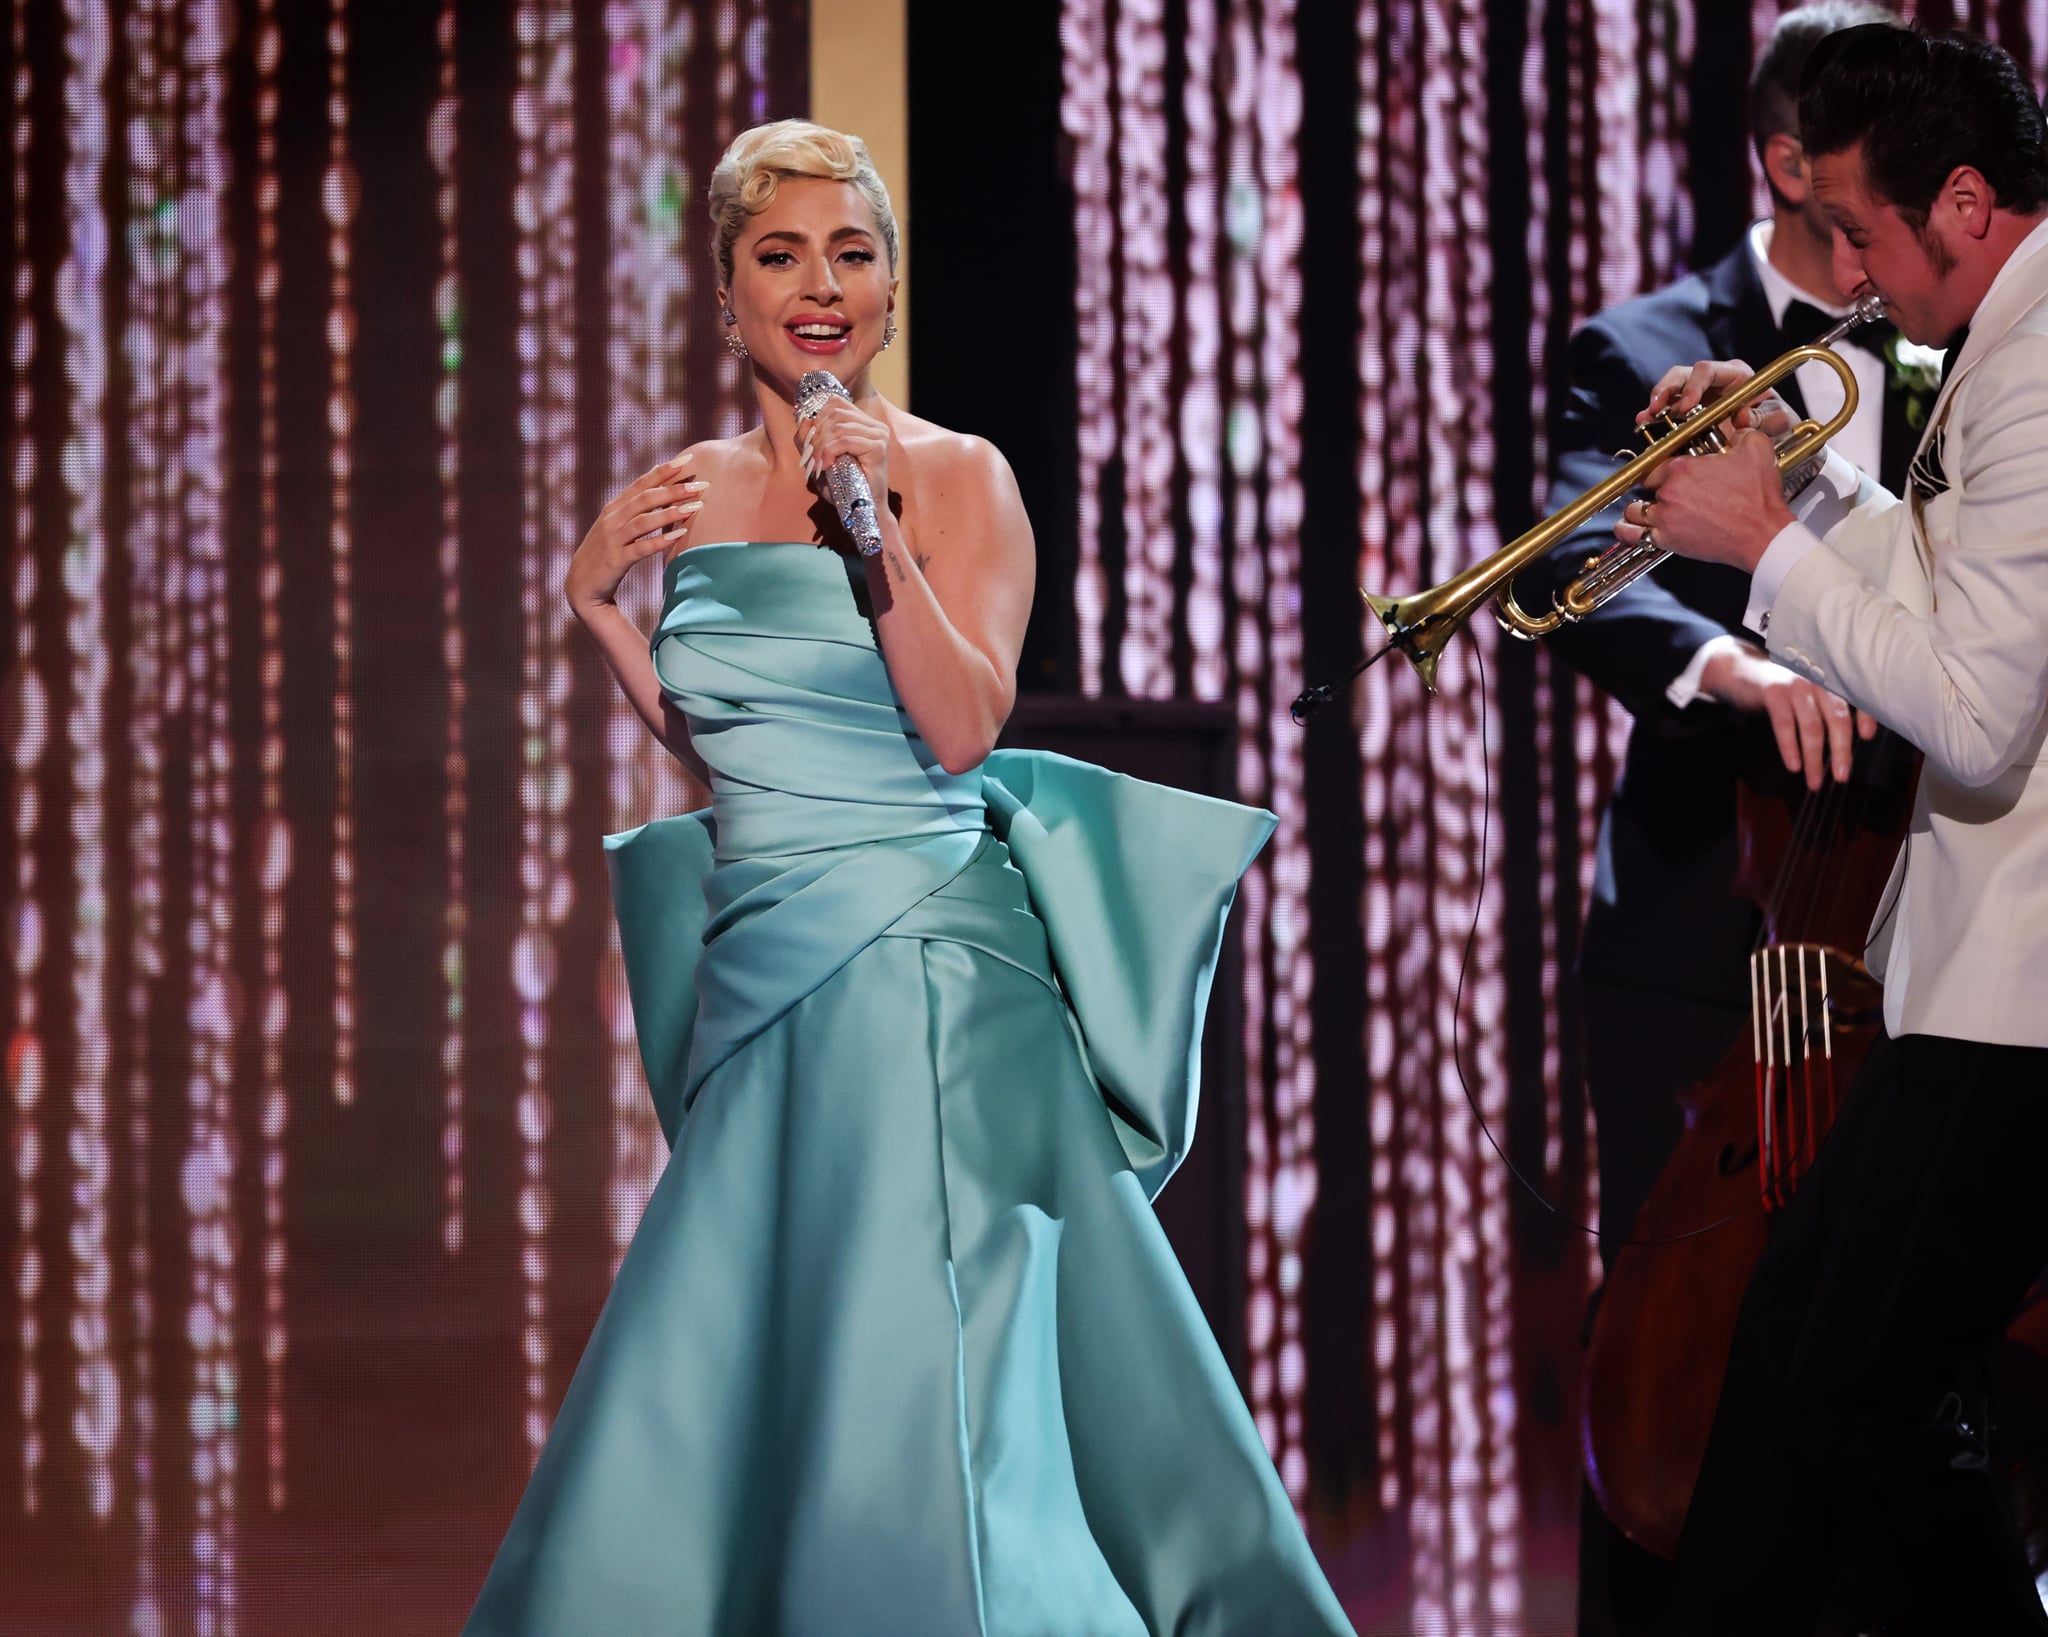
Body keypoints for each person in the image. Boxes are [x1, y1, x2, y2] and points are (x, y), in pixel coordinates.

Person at [461, 119, 1354, 1637]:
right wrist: (601, 612)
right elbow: (740, 748)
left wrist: (876, 539)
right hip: (762, 984)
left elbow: (957, 726)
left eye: (853, 253)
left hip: (935, 984)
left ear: (888, 288)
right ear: (724, 289)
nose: (822, 286)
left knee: (934, 1375)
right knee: (759, 1376)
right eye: (782, 253)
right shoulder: (686, 491)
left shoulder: (957, 475)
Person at [1620, 25, 2048, 1633]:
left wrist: (1767, 556)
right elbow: (1961, 591)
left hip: (2020, 993)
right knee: (1814, 1343)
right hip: (1978, 976)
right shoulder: (2008, 332)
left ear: (1963, 203)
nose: (1851, 278)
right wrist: (1799, 494)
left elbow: (1981, 712)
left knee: (1853, 1372)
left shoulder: (2045, 350)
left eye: (1865, 235)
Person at [1532, 8, 1902, 1632]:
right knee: (1670, 1340)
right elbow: (1564, 565)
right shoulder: (1644, 342)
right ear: (1793, 165)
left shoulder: (1968, 346)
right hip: (1701, 930)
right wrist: (1736, 669)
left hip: (1919, 914)